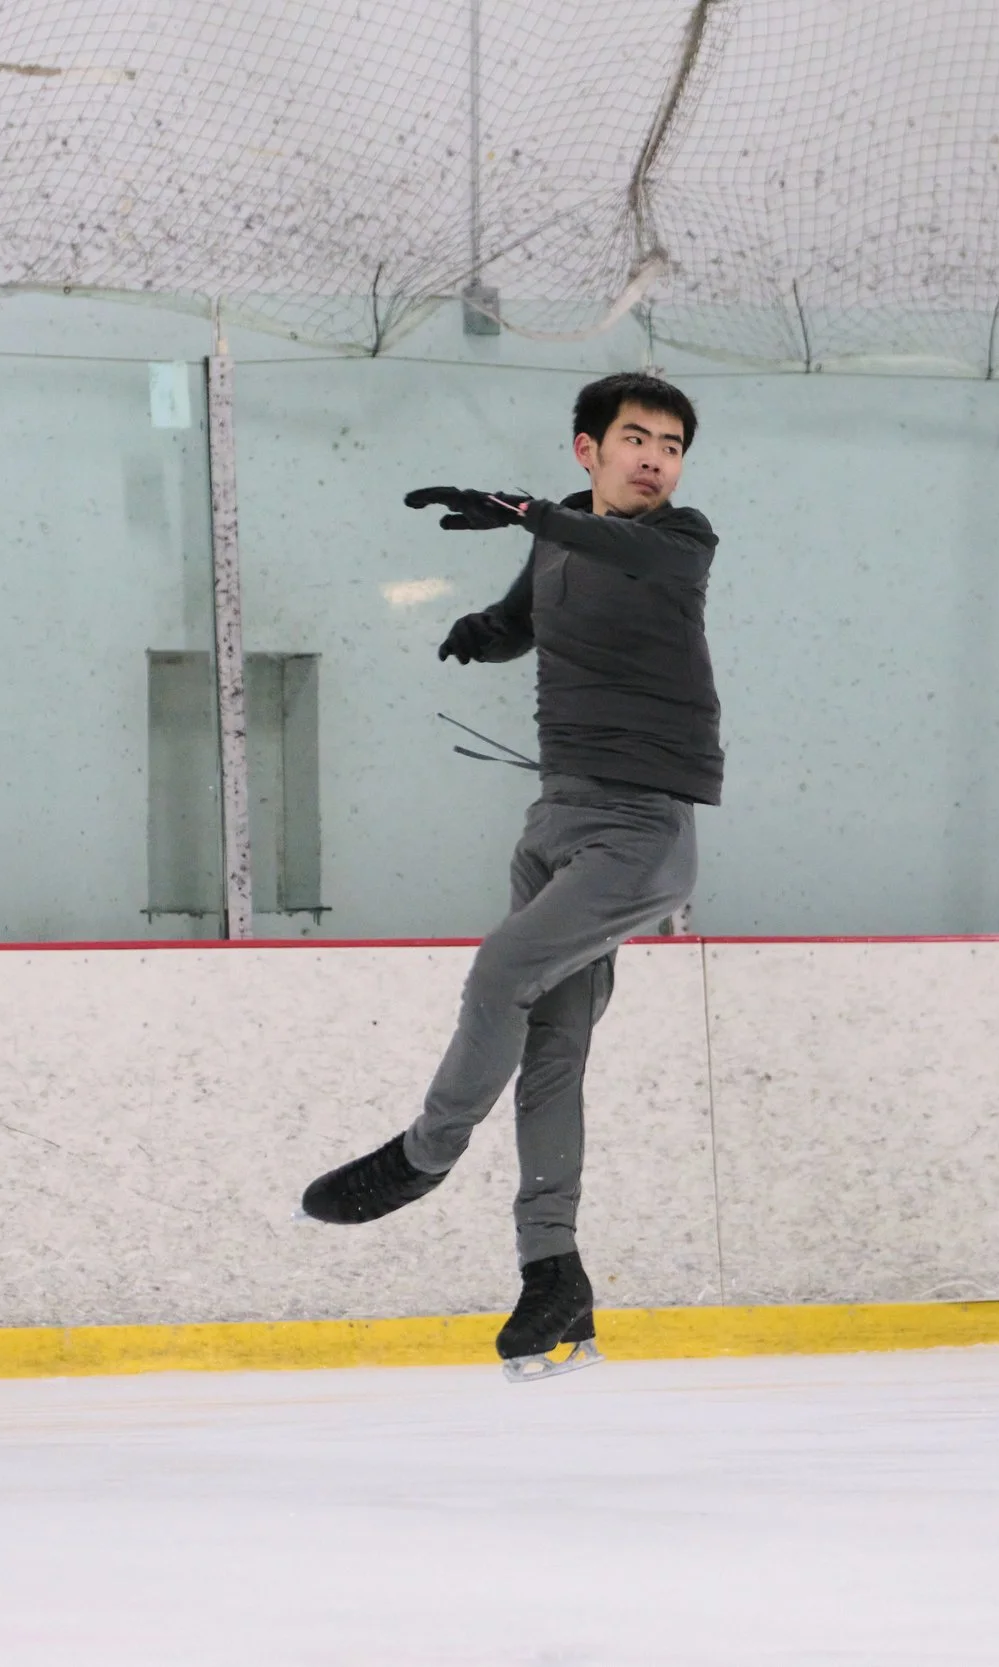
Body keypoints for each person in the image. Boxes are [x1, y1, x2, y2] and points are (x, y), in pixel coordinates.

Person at [302, 371, 720, 1380]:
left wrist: (529, 511)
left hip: (638, 832)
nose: (655, 459)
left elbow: (618, 552)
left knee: (499, 973)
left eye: (671, 445)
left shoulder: (680, 539)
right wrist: (481, 633)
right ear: (588, 449)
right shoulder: (561, 534)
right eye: (635, 438)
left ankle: (425, 1153)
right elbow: (526, 614)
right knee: (551, 1050)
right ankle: (552, 1277)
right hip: (554, 820)